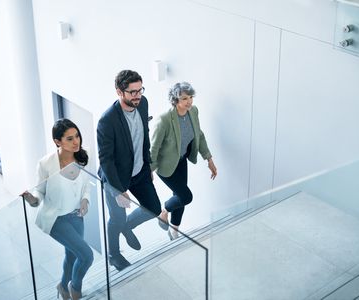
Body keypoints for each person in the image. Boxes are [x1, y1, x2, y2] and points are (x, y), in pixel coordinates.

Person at [22, 119, 94, 300]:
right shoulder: (46, 163)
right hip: (56, 219)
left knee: (71, 257)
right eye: (69, 139)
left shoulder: (85, 157)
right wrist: (31, 199)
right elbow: (39, 192)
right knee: (86, 255)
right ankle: (74, 289)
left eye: (77, 136)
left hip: (76, 216)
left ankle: (62, 287)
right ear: (57, 141)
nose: (76, 141)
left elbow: (87, 185)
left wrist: (85, 200)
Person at [97, 70, 161, 271]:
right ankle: (113, 255)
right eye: (132, 92)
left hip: (140, 171)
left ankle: (127, 226)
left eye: (139, 90)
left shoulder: (143, 104)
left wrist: (148, 164)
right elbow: (105, 160)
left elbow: (145, 135)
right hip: (115, 177)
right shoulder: (107, 121)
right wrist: (118, 190)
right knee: (117, 218)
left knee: (154, 208)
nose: (137, 95)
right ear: (119, 92)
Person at [151, 82, 217, 240]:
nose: (189, 101)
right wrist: (149, 170)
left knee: (179, 196)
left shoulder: (193, 111)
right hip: (166, 166)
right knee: (186, 196)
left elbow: (199, 135)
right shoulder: (165, 119)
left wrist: (209, 159)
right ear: (175, 100)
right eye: (184, 98)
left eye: (191, 97)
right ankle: (164, 212)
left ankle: (174, 231)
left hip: (181, 161)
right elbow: (154, 147)